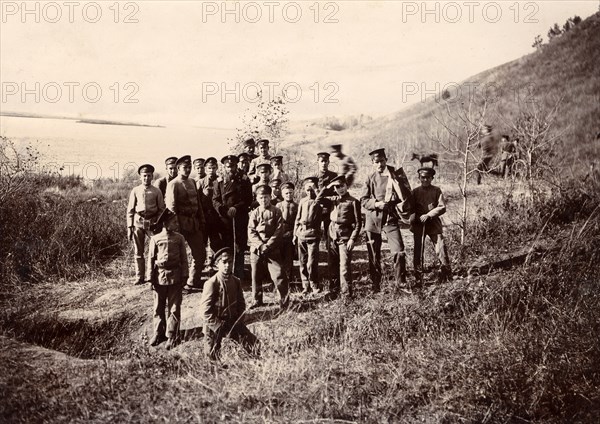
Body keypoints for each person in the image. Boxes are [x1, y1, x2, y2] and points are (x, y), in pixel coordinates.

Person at [360, 148, 412, 292]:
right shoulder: (370, 177)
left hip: (390, 218)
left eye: (382, 161)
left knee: (399, 251)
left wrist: (398, 196)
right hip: (373, 220)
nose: (380, 164)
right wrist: (376, 204)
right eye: (376, 162)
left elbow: (407, 195)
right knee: (374, 254)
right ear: (372, 163)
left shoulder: (396, 174)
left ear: (386, 160)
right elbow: (363, 200)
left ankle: (400, 283)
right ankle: (375, 284)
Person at [199, 247, 259, 361]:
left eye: (230, 262)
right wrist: (218, 326)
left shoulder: (236, 281)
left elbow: (241, 304)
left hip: (231, 321)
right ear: (217, 265)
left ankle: (253, 363)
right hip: (214, 325)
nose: (227, 265)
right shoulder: (212, 283)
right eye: (224, 262)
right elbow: (204, 312)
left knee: (254, 344)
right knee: (212, 358)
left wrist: (238, 321)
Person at [146, 208, 188, 350]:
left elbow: (184, 258)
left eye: (176, 221)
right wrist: (150, 279)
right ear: (165, 223)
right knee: (158, 307)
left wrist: (185, 275)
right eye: (173, 222)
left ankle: (172, 335)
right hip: (159, 278)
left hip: (175, 277)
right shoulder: (155, 239)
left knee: (174, 308)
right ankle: (158, 333)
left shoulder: (179, 238)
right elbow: (150, 260)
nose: (176, 224)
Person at [317, 175, 362, 301]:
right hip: (332, 235)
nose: (340, 189)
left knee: (344, 267)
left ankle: (347, 294)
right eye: (337, 187)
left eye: (342, 186)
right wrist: (328, 187)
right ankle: (334, 291)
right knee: (332, 265)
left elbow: (358, 223)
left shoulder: (353, 201)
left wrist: (353, 239)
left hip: (345, 237)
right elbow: (318, 200)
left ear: (346, 185)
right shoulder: (332, 200)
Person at [165, 155, 206, 291]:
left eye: (189, 167)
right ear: (178, 168)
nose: (187, 169)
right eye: (184, 167)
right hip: (181, 224)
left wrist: (202, 220)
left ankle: (193, 281)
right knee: (179, 255)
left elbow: (198, 203)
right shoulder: (173, 184)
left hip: (194, 223)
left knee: (200, 253)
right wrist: (175, 228)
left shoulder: (193, 182)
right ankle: (179, 284)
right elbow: (171, 208)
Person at [247, 185, 289, 309]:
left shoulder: (277, 211)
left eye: (266, 197)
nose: (263, 200)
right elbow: (251, 231)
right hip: (257, 249)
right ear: (257, 198)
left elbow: (279, 230)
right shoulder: (254, 213)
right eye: (261, 197)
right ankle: (256, 300)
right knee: (256, 275)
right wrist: (260, 245)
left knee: (279, 274)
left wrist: (268, 245)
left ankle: (284, 301)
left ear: (270, 197)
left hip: (272, 248)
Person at [213, 155, 253, 280]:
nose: (231, 169)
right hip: (224, 219)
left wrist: (236, 208)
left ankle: (239, 272)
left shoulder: (244, 180)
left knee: (239, 245)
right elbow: (215, 199)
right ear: (224, 167)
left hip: (239, 217)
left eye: (233, 166)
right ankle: (227, 273)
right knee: (226, 245)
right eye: (228, 166)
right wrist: (223, 210)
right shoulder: (218, 182)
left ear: (237, 166)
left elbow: (248, 199)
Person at [410, 167, 452, 284]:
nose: (425, 180)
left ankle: (446, 274)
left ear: (432, 178)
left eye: (428, 178)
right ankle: (418, 277)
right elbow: (409, 207)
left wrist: (429, 215)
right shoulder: (415, 192)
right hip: (419, 224)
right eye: (422, 177)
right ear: (419, 178)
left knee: (441, 247)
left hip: (433, 223)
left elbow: (442, 207)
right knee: (418, 250)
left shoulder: (437, 191)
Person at [126, 164, 165, 285]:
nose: (146, 178)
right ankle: (139, 276)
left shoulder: (156, 191)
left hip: (152, 223)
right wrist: (129, 227)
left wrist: (158, 223)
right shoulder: (135, 190)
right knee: (138, 251)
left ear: (152, 176)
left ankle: (152, 276)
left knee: (155, 251)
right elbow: (130, 210)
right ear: (140, 177)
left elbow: (161, 209)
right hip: (138, 222)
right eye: (144, 176)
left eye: (148, 176)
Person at [294, 177, 323, 295]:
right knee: (302, 261)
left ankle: (314, 284)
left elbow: (320, 196)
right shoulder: (302, 201)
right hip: (302, 234)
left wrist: (316, 190)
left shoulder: (318, 201)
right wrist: (295, 233)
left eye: (311, 190)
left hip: (313, 235)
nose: (309, 192)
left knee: (312, 262)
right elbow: (298, 217)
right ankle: (305, 285)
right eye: (307, 190)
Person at [314, 152, 338, 272]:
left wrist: (329, 199)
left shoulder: (334, 176)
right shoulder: (313, 176)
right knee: (314, 236)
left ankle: (331, 264)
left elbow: (336, 193)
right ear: (317, 162)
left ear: (329, 162)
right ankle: (316, 263)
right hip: (316, 210)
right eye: (321, 161)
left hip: (329, 209)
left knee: (330, 236)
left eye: (325, 161)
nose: (323, 163)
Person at [198, 157, 224, 254]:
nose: (211, 170)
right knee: (202, 242)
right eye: (209, 168)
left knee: (216, 241)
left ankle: (216, 262)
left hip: (217, 216)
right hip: (204, 216)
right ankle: (203, 264)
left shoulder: (221, 181)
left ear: (217, 167)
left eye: (213, 168)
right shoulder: (200, 183)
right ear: (205, 169)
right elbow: (198, 201)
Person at [276, 182, 298, 282]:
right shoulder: (278, 205)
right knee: (278, 258)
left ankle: (288, 280)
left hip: (290, 235)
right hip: (279, 235)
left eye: (290, 193)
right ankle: (279, 281)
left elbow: (299, 222)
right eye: (286, 193)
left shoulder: (297, 206)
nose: (289, 195)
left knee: (289, 258)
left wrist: (293, 232)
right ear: (282, 194)